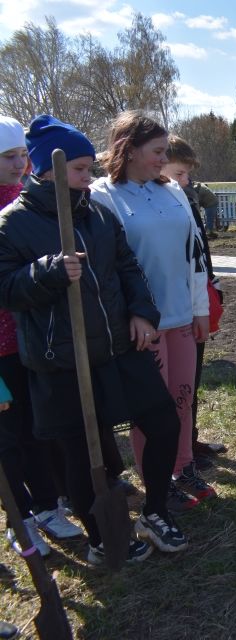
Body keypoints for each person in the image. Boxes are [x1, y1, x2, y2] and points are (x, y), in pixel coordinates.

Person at [0, 114, 188, 563]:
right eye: (81, 169)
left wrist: (143, 313)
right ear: (47, 170)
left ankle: (155, 510)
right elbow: (6, 288)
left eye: (89, 169)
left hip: (116, 349)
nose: (90, 177)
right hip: (61, 360)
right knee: (80, 456)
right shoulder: (12, 224)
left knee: (163, 422)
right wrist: (44, 273)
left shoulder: (98, 215)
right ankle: (103, 537)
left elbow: (128, 268)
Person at [89, 111, 215, 512]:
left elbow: (194, 253)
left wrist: (199, 309)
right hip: (142, 323)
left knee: (182, 396)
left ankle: (184, 466)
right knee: (153, 407)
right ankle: (157, 478)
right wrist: (130, 316)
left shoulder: (173, 192)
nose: (164, 159)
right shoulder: (101, 196)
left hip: (181, 314)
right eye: (157, 152)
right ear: (128, 149)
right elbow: (106, 268)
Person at [0, 116, 82, 559]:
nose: (20, 165)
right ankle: (22, 515)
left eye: (20, 156)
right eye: (9, 158)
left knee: (39, 428)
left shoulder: (26, 201)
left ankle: (50, 504)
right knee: (7, 437)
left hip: (31, 337)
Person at [160, 136, 227, 469]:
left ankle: (190, 439)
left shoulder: (185, 198)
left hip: (195, 302)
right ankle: (173, 451)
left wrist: (210, 286)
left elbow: (200, 251)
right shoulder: (160, 205)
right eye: (180, 172)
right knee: (174, 385)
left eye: (187, 174)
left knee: (191, 377)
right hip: (170, 311)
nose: (186, 180)